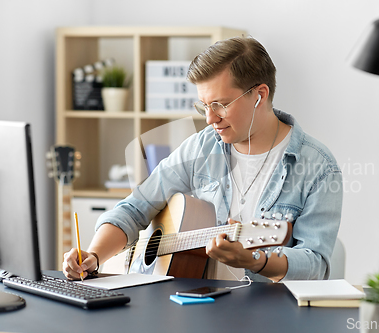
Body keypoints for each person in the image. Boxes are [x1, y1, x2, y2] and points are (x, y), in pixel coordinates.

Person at [63, 36, 343, 283]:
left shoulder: (318, 167)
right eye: (204, 106)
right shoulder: (201, 147)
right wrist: (94, 256)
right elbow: (135, 208)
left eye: (220, 104)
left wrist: (255, 261)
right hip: (190, 304)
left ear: (259, 95)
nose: (210, 119)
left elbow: (316, 266)